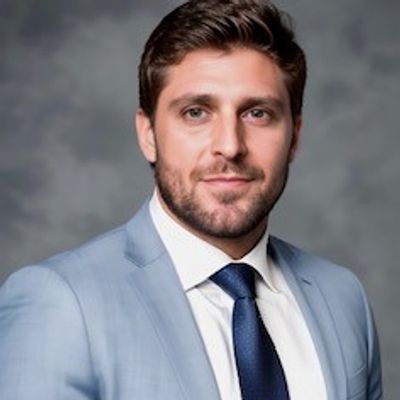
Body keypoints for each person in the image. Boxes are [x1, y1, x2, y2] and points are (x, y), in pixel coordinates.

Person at [0, 0, 382, 399]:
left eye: (257, 113)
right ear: (148, 134)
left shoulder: (343, 298)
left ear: (295, 137)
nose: (230, 146)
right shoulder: (60, 302)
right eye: (196, 112)